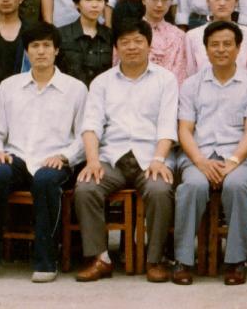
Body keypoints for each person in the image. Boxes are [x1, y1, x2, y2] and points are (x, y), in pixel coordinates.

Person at [0, 22, 88, 282]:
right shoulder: (9, 86)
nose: (41, 51)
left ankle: (46, 262)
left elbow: (84, 135)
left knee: (46, 181)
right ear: (26, 52)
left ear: (56, 50)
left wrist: (65, 157)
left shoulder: (75, 89)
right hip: (16, 157)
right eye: (35, 46)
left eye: (47, 46)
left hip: (55, 160)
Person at [74, 18, 178, 283]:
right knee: (86, 188)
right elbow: (91, 126)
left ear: (149, 45)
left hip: (151, 157)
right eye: (125, 42)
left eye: (138, 41)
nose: (132, 47)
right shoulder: (102, 82)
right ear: (116, 47)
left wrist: (159, 159)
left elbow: (167, 125)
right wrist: (92, 160)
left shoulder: (165, 80)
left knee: (160, 189)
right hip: (113, 157)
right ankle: (101, 259)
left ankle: (155, 259)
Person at [171, 21, 247, 286]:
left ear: (238, 48)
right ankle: (182, 260)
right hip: (198, 155)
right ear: (206, 49)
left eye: (227, 44)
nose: (221, 49)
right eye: (214, 45)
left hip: (238, 156)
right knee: (192, 186)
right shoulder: (191, 85)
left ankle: (236, 260)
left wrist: (233, 161)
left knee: (236, 186)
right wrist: (200, 162)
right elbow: (185, 130)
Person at [184, 0, 247, 78]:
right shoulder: (192, 36)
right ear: (207, 0)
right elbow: (191, 74)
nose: (222, 3)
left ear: (236, 1)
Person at [57, 0, 113, 85]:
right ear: (77, 4)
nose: (94, 5)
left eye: (99, 0)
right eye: (88, 0)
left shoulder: (111, 36)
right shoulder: (61, 35)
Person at [141, 0, 188, 85]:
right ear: (143, 0)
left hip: (171, 90)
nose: (159, 4)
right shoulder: (131, 32)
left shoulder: (179, 35)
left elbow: (181, 71)